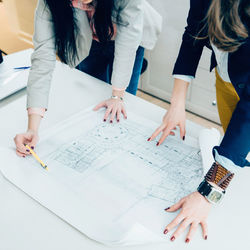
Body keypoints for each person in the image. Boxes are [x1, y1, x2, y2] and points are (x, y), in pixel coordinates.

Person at [148, 0, 250, 243]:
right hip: (228, 80)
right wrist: (177, 102)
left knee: (237, 148)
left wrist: (208, 193)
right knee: (235, 149)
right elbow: (194, 33)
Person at [14, 0, 162, 157]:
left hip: (127, 35)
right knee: (92, 99)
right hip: (89, 38)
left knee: (121, 105)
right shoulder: (48, 2)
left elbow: (128, 42)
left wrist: (117, 95)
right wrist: (32, 128)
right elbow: (43, 58)